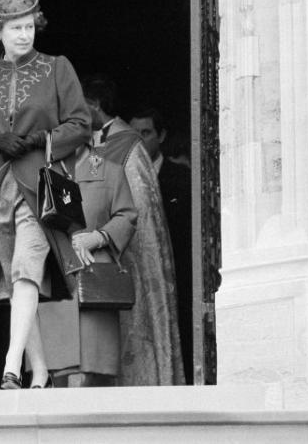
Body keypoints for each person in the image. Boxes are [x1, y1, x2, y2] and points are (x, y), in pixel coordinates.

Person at [0, 0, 90, 390]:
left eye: (29, 26)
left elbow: (80, 124)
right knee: (18, 284)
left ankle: (12, 365)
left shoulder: (56, 67)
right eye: (15, 27)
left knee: (26, 270)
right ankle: (42, 372)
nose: (24, 34)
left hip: (39, 187)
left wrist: (40, 139)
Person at [38, 76, 184, 386]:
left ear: (92, 106)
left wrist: (101, 235)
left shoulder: (125, 146)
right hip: (79, 260)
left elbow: (139, 213)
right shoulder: (78, 151)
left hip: (121, 262)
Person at [130, 105, 193, 383]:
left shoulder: (181, 178)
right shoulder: (124, 175)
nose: (139, 139)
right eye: (134, 133)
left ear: (162, 135)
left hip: (180, 272)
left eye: (146, 132)